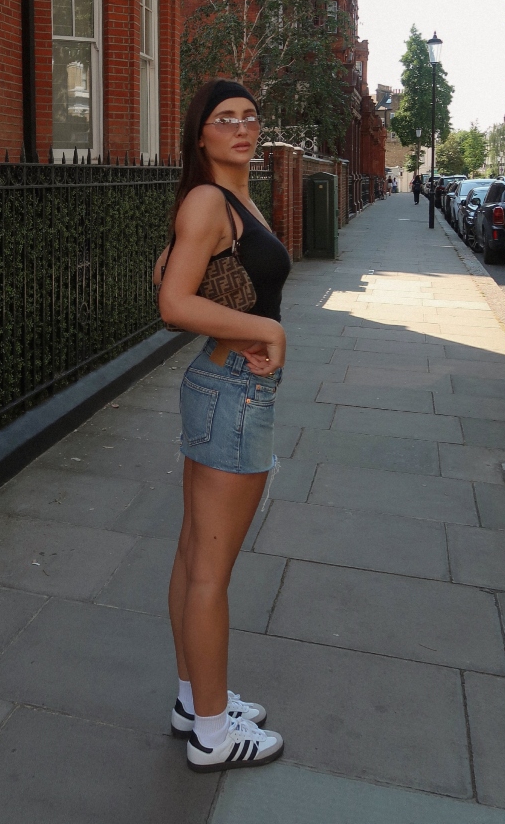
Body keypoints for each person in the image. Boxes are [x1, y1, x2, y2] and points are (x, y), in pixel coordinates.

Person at [155, 79, 290, 773]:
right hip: (233, 395)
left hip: (226, 389)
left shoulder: (231, 198)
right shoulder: (209, 200)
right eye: (224, 118)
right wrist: (266, 329)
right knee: (209, 572)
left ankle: (193, 700)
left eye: (249, 116)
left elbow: (178, 273)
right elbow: (173, 301)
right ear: (200, 133)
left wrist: (249, 324)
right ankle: (212, 733)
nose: (241, 127)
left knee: (192, 557)